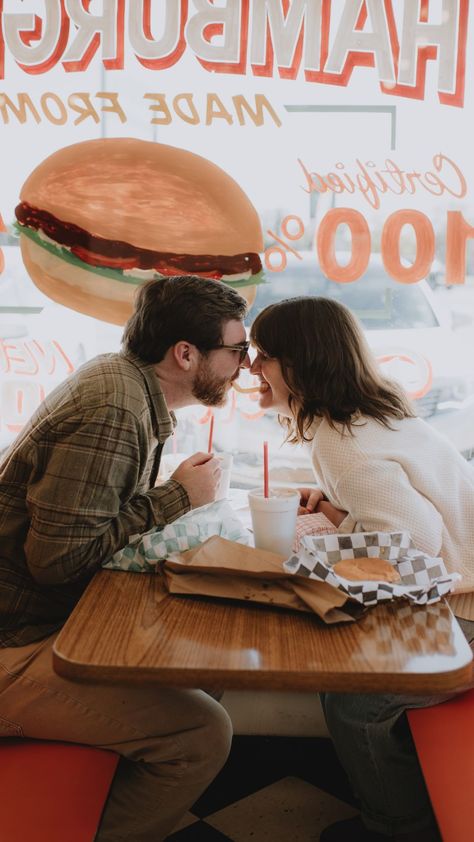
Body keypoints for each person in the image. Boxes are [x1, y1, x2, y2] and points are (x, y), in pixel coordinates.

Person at [0, 274, 250, 841]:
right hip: (14, 642)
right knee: (203, 735)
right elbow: (57, 561)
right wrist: (180, 497)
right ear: (185, 354)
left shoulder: (127, 387)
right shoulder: (115, 409)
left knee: (196, 672)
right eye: (237, 350)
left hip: (39, 622)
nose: (244, 365)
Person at [249, 295, 474, 842]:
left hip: (461, 616)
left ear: (299, 364)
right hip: (456, 590)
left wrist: (332, 515)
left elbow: (411, 544)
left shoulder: (339, 439)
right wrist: (331, 504)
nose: (252, 368)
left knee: (356, 702)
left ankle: (398, 828)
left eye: (263, 355)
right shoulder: (380, 410)